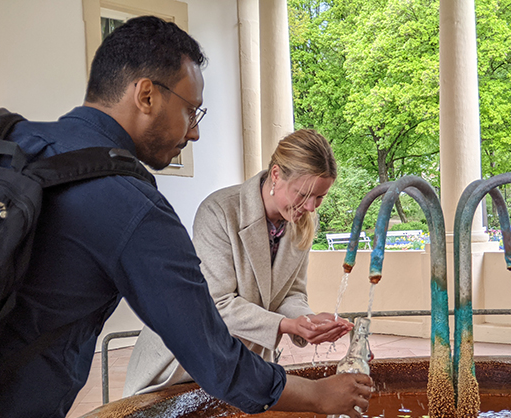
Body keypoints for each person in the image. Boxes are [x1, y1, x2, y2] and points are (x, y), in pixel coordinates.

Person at [0, 16, 372, 418]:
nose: (194, 133)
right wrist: (319, 394)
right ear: (146, 95)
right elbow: (215, 357)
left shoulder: (1, 147)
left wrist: (298, 322)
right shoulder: (133, 206)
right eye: (192, 110)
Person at [124, 129, 353, 396]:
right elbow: (216, 304)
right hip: (184, 361)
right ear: (276, 175)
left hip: (244, 362)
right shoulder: (219, 210)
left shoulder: (301, 222)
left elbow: (290, 293)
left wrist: (307, 320)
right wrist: (286, 325)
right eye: (303, 194)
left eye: (320, 197)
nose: (312, 207)